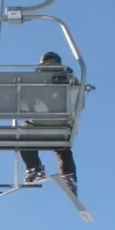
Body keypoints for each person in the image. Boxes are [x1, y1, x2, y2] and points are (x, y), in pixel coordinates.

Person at [19, 51, 78, 193]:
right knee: (63, 147)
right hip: (60, 124)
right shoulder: (69, 77)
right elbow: (79, 103)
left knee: (22, 134)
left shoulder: (33, 79)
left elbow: (22, 104)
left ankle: (34, 167)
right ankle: (68, 175)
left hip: (36, 125)